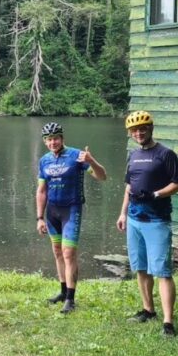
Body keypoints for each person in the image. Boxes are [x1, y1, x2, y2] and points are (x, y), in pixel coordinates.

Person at [115, 111, 178, 337]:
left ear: (151, 128)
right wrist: (123, 213)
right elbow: (129, 186)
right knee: (141, 267)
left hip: (156, 220)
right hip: (134, 219)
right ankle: (148, 309)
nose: (138, 133)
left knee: (163, 271)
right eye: (134, 130)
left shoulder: (166, 154)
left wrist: (156, 194)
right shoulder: (133, 156)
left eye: (142, 128)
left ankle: (168, 323)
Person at [35, 122, 107, 313]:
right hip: (52, 212)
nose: (53, 142)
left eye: (56, 138)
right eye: (49, 139)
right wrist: (39, 217)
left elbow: (102, 176)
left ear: (62, 138)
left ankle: (71, 298)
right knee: (57, 251)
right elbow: (41, 191)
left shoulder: (77, 156)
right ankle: (62, 291)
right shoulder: (44, 161)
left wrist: (91, 161)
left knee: (68, 253)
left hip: (71, 210)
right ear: (45, 141)